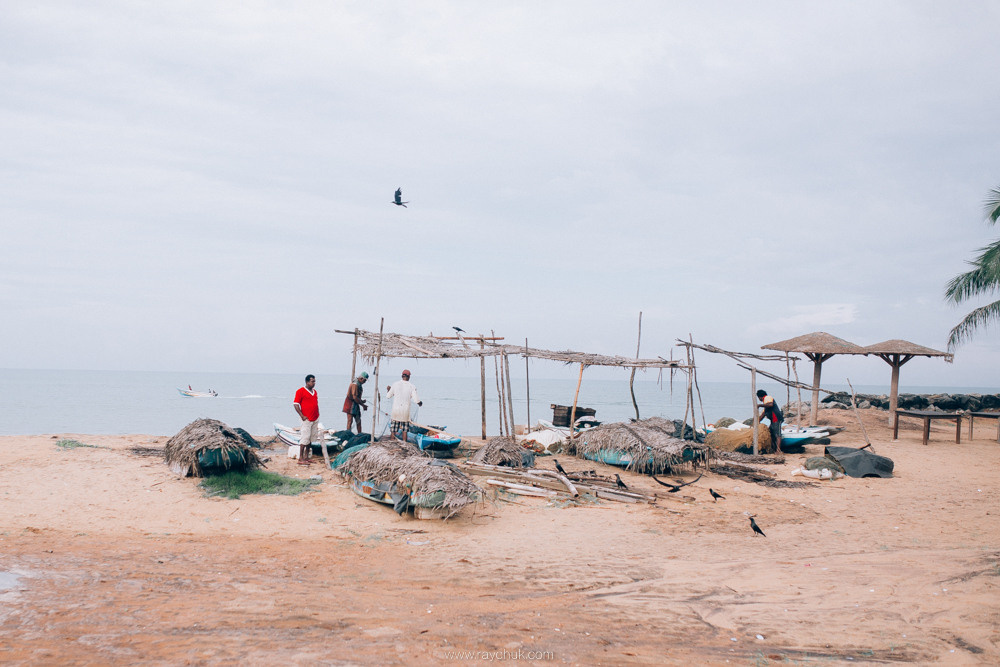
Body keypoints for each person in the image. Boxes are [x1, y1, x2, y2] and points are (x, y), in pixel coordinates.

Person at [386, 369, 422, 441]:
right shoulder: (412, 386)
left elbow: (388, 396)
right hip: (405, 412)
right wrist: (420, 403)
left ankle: (392, 442)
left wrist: (389, 390)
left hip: (396, 411)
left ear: (402, 376)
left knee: (393, 430)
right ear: (409, 377)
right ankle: (404, 443)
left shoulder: (395, 384)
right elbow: (416, 400)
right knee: (404, 430)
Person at [293, 374, 321, 464]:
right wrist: (302, 415)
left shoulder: (314, 392)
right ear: (307, 382)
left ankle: (306, 456)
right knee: (305, 438)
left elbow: (315, 403)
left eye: (314, 381)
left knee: (310, 438)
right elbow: (296, 404)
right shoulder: (300, 391)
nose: (314, 383)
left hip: (315, 418)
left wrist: (318, 413)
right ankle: (300, 458)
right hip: (306, 419)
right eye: (312, 381)